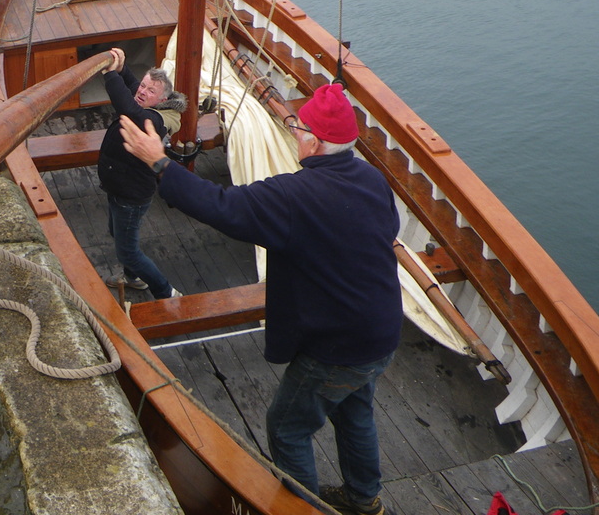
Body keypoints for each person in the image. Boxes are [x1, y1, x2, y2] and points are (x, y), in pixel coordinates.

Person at [120, 83, 401, 515]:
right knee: (354, 411)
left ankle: (304, 511)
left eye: (298, 129)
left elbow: (223, 206)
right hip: (381, 332)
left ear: (314, 142)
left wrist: (159, 161)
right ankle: (365, 502)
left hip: (338, 347)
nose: (295, 135)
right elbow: (382, 230)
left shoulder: (294, 196)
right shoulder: (372, 179)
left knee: (287, 428)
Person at [97, 48, 186, 300]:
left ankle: (166, 293)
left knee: (128, 252)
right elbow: (134, 87)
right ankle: (132, 278)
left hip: (131, 196)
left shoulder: (155, 120)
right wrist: (122, 69)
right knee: (117, 233)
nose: (142, 92)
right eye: (144, 85)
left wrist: (110, 75)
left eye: (150, 91)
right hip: (118, 187)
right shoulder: (151, 101)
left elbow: (128, 110)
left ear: (162, 100)